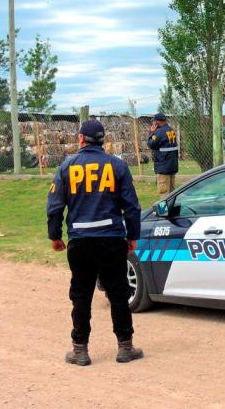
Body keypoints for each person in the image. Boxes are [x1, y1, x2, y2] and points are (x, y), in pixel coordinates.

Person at [46, 119, 144, 365]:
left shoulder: (67, 166)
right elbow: (131, 206)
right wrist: (133, 236)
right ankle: (125, 347)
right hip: (111, 240)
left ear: (81, 139)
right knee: (118, 293)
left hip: (80, 242)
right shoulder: (118, 166)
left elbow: (55, 206)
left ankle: (80, 350)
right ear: (103, 140)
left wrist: (55, 235)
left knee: (81, 295)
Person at [146, 112, 179, 197]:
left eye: (154, 121)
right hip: (172, 166)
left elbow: (150, 144)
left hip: (163, 168)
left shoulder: (159, 132)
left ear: (157, 122)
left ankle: (165, 211)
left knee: (164, 194)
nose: (153, 123)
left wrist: (151, 132)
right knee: (172, 193)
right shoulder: (171, 130)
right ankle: (172, 209)